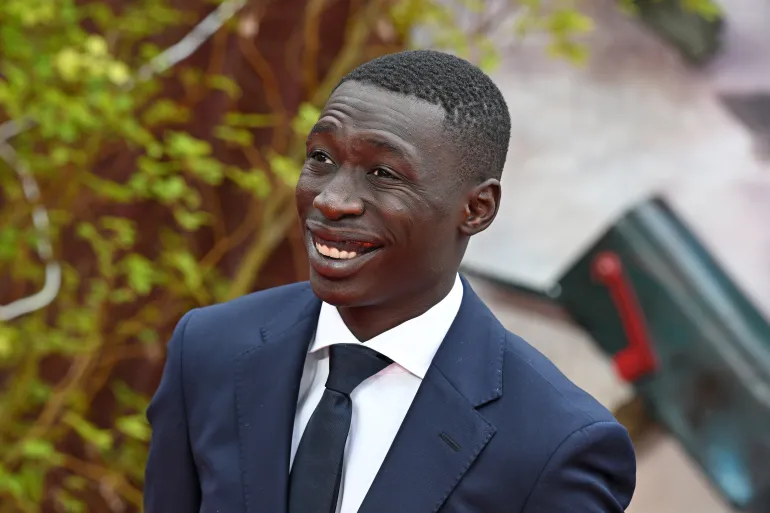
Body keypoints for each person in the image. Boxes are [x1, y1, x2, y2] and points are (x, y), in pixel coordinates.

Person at [144, 49, 636, 513]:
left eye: (382, 173)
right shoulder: (210, 349)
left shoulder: (556, 443)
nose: (332, 200)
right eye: (321, 158)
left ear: (477, 208)